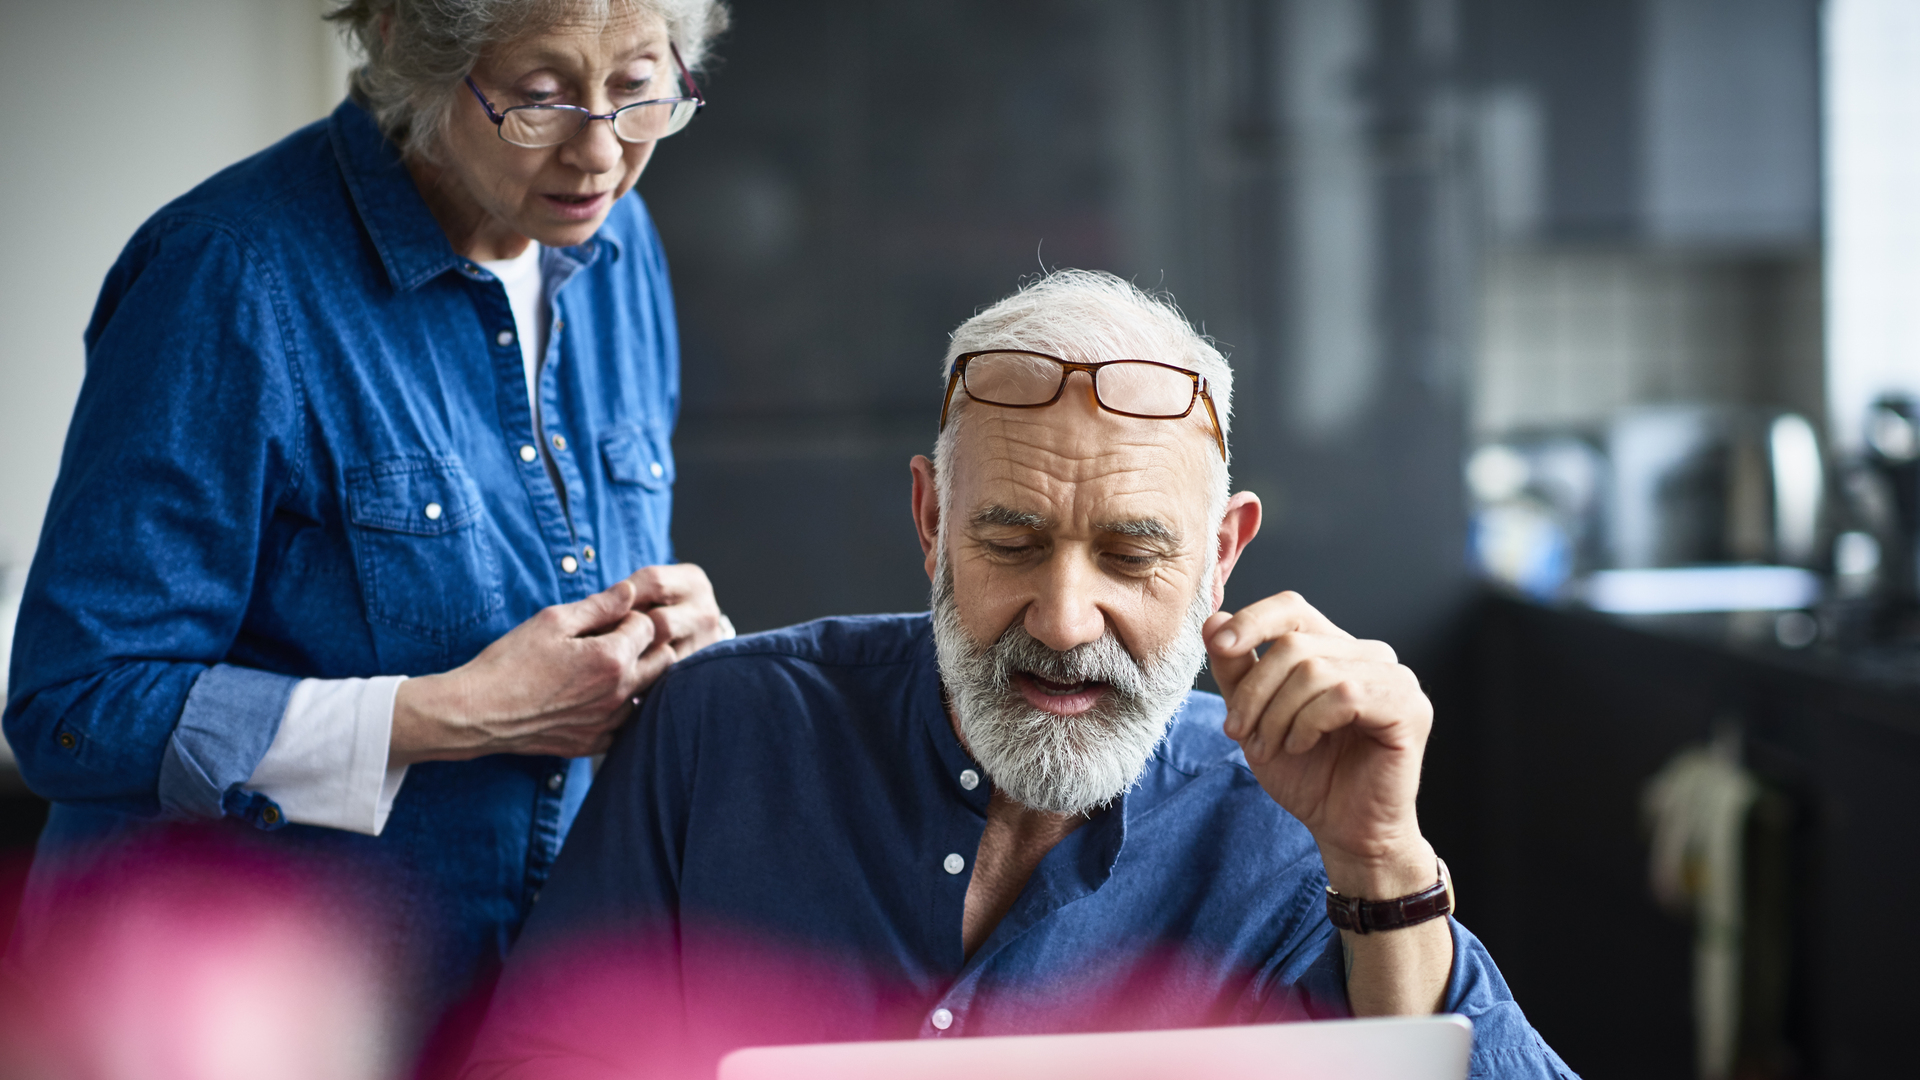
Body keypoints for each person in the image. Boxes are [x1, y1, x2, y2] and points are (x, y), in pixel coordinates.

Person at [461, 271, 1579, 1079]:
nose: (1063, 616)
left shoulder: (1293, 813)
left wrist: (1383, 862)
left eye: (1135, 554)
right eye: (1010, 541)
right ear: (932, 521)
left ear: (1221, 555)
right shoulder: (720, 732)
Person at [3, 0, 732, 1023]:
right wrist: (449, 717)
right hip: (268, 1021)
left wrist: (674, 652)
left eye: (641, 88)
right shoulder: (228, 275)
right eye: (539, 98)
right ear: (405, 42)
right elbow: (74, 709)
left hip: (531, 1003)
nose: (602, 151)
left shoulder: (620, 245)